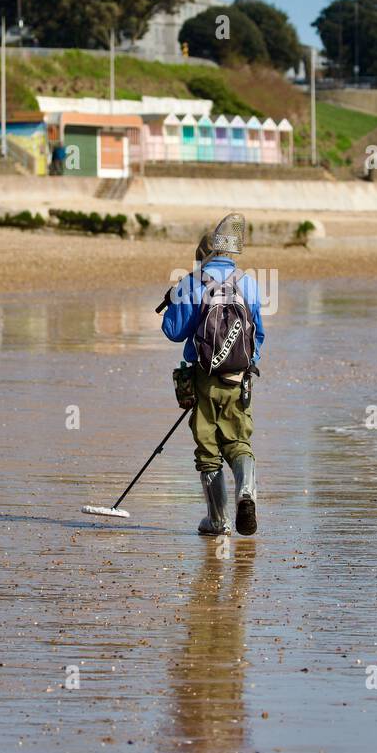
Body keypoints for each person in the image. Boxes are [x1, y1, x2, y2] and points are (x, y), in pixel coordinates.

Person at [161, 214, 265, 538]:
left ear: (204, 253)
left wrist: (172, 302)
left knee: (208, 449)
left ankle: (218, 521)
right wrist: (248, 364)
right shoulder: (248, 282)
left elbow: (173, 332)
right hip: (239, 378)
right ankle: (245, 492)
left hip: (204, 379)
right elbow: (258, 334)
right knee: (238, 440)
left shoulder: (192, 281)